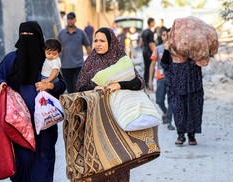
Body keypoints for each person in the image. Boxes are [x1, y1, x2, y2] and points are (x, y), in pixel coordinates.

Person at [0, 21, 66, 182]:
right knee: (22, 157)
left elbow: (62, 84)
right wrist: (2, 83)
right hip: (19, 120)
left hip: (45, 120)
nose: (26, 39)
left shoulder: (48, 60)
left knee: (44, 155)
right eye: (22, 35)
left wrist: (50, 84)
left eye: (29, 36)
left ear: (38, 37)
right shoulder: (12, 59)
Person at [76, 27, 145, 182]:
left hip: (118, 120)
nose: (98, 44)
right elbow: (79, 87)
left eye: (102, 41)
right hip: (96, 121)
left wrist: (119, 85)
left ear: (111, 42)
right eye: (96, 41)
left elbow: (139, 82)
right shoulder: (90, 62)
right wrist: (94, 88)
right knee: (98, 161)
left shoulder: (121, 61)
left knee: (119, 160)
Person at [161, 34, 204, 146]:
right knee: (178, 110)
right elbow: (164, 64)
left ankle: (191, 135)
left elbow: (201, 61)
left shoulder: (191, 50)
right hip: (176, 86)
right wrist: (166, 50)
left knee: (192, 109)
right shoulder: (170, 50)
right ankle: (180, 135)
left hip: (192, 86)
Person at [58, 12, 91, 93]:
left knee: (78, 87)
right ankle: (73, 105)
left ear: (75, 20)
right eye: (68, 19)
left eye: (72, 19)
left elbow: (87, 46)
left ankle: (80, 104)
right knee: (70, 89)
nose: (70, 21)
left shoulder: (81, 33)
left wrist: (91, 60)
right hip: (65, 66)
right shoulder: (61, 33)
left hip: (78, 65)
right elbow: (57, 49)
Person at [148, 29, 175, 130]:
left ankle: (169, 121)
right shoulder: (158, 49)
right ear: (161, 37)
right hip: (160, 78)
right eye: (164, 35)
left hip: (171, 78)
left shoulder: (175, 49)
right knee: (159, 100)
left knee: (171, 100)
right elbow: (152, 64)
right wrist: (150, 80)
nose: (166, 37)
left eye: (168, 35)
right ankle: (166, 112)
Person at [141, 18, 156, 88]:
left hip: (144, 51)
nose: (154, 23)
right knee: (151, 68)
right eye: (154, 22)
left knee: (146, 68)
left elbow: (141, 42)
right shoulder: (150, 32)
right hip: (149, 52)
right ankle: (150, 84)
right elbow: (151, 44)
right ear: (151, 23)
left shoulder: (144, 31)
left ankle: (145, 83)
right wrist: (155, 52)